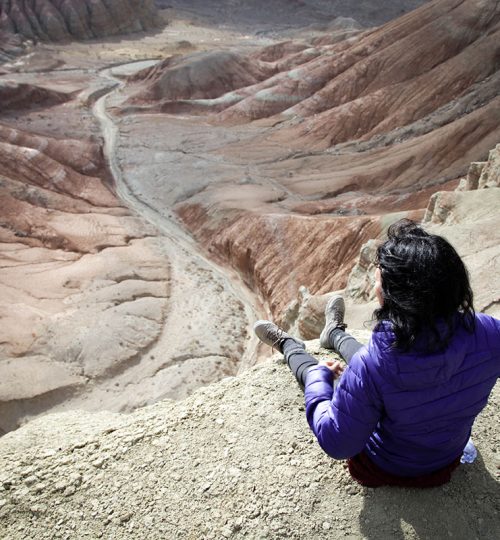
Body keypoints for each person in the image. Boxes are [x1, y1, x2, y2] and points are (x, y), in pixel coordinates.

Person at [253, 219, 500, 487]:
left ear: (398, 297)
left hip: (385, 465)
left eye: (379, 280)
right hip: (445, 457)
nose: (374, 286)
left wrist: (320, 381)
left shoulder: (371, 365)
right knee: (376, 368)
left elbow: (337, 442)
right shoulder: (491, 332)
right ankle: (334, 333)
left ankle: (291, 347)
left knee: (331, 372)